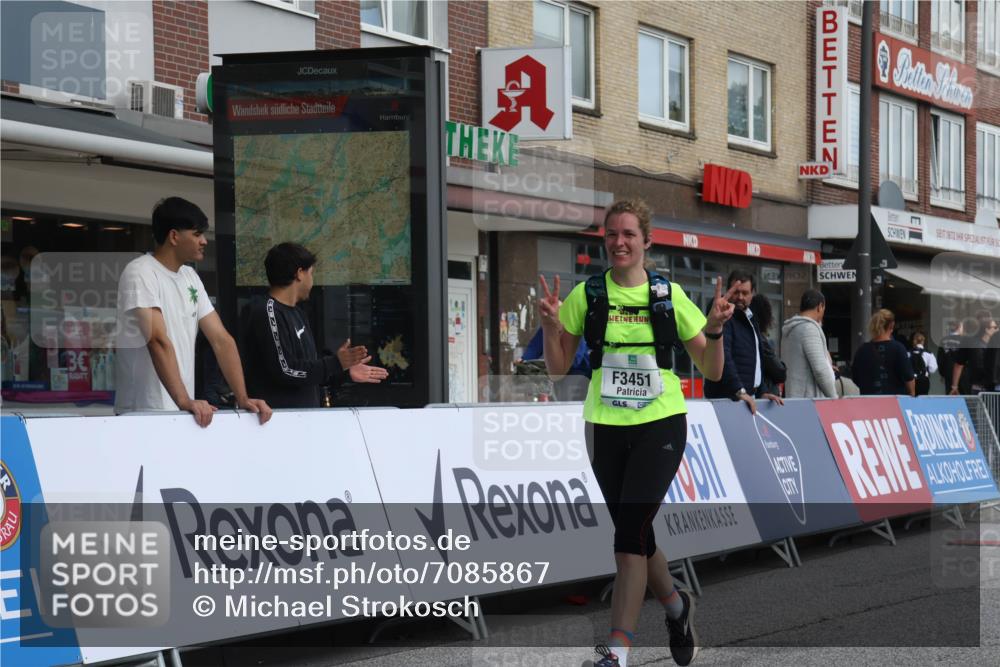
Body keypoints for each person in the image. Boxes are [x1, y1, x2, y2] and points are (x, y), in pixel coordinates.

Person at [539, 198, 739, 667]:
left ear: (647, 242)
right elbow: (557, 368)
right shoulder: (586, 296)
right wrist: (550, 327)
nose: (619, 242)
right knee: (638, 531)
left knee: (628, 535)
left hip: (661, 425)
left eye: (629, 234)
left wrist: (713, 332)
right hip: (604, 426)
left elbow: (711, 370)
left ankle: (617, 651)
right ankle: (677, 605)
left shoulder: (667, 296)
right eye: (612, 234)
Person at [115, 197, 272, 427]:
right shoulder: (140, 272)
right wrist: (184, 400)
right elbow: (157, 340)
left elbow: (221, 340)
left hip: (182, 412)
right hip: (143, 412)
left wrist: (242, 397)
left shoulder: (190, 276)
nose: (204, 241)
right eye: (197, 234)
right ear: (174, 236)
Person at [240, 243, 387, 408]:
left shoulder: (298, 313)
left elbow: (308, 370)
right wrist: (335, 363)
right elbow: (286, 370)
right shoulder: (267, 312)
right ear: (300, 273)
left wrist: (343, 371)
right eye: (311, 273)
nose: (312, 280)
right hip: (278, 423)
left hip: (307, 420)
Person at [702, 270, 783, 413]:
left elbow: (758, 358)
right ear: (728, 291)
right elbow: (724, 356)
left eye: (745, 293)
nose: (740, 297)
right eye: (736, 292)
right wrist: (739, 390)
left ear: (752, 294)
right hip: (730, 401)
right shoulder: (723, 316)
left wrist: (762, 391)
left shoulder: (750, 317)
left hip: (747, 398)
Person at [780, 289, 837, 398]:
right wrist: (833, 397)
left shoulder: (790, 330)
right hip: (809, 401)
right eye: (824, 308)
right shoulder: (809, 329)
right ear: (820, 306)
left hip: (794, 396)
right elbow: (820, 370)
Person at [851, 309, 915, 396]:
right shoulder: (898, 348)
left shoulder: (862, 350)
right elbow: (908, 377)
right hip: (893, 402)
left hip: (868, 401)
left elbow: (856, 378)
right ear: (891, 326)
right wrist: (911, 395)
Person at [519, 326, 591, 400]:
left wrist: (550, 365)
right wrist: (523, 360)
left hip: (579, 374)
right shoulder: (549, 324)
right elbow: (534, 347)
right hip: (555, 373)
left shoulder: (576, 326)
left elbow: (575, 359)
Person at [748, 294, 786, 396]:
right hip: (766, 395)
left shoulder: (747, 334)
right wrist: (782, 365)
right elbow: (780, 373)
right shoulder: (760, 339)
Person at [951, 316, 997, 395]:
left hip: (987, 387)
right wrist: (955, 386)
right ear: (986, 329)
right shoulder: (972, 344)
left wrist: (955, 386)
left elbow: (959, 364)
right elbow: (959, 364)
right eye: (995, 327)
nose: (997, 329)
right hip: (980, 387)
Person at [937, 320, 965, 394]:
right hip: (963, 373)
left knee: (950, 396)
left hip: (948, 372)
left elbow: (940, 359)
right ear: (959, 327)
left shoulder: (943, 341)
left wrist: (942, 373)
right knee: (965, 397)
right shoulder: (964, 340)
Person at [908, 332, 937, 396]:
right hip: (923, 380)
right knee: (923, 400)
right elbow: (933, 369)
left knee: (911, 401)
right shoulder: (929, 353)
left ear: (913, 341)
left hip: (911, 381)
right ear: (923, 341)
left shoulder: (908, 353)